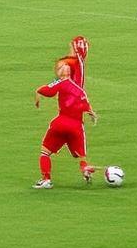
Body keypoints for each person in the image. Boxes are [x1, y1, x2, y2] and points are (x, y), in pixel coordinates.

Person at [32, 57, 100, 188]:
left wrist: (37, 94)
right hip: (76, 127)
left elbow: (47, 91)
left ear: (60, 72)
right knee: (81, 156)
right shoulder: (80, 90)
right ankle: (85, 169)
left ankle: (46, 179)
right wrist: (92, 113)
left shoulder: (60, 83)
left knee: (45, 152)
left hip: (61, 123)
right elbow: (86, 105)